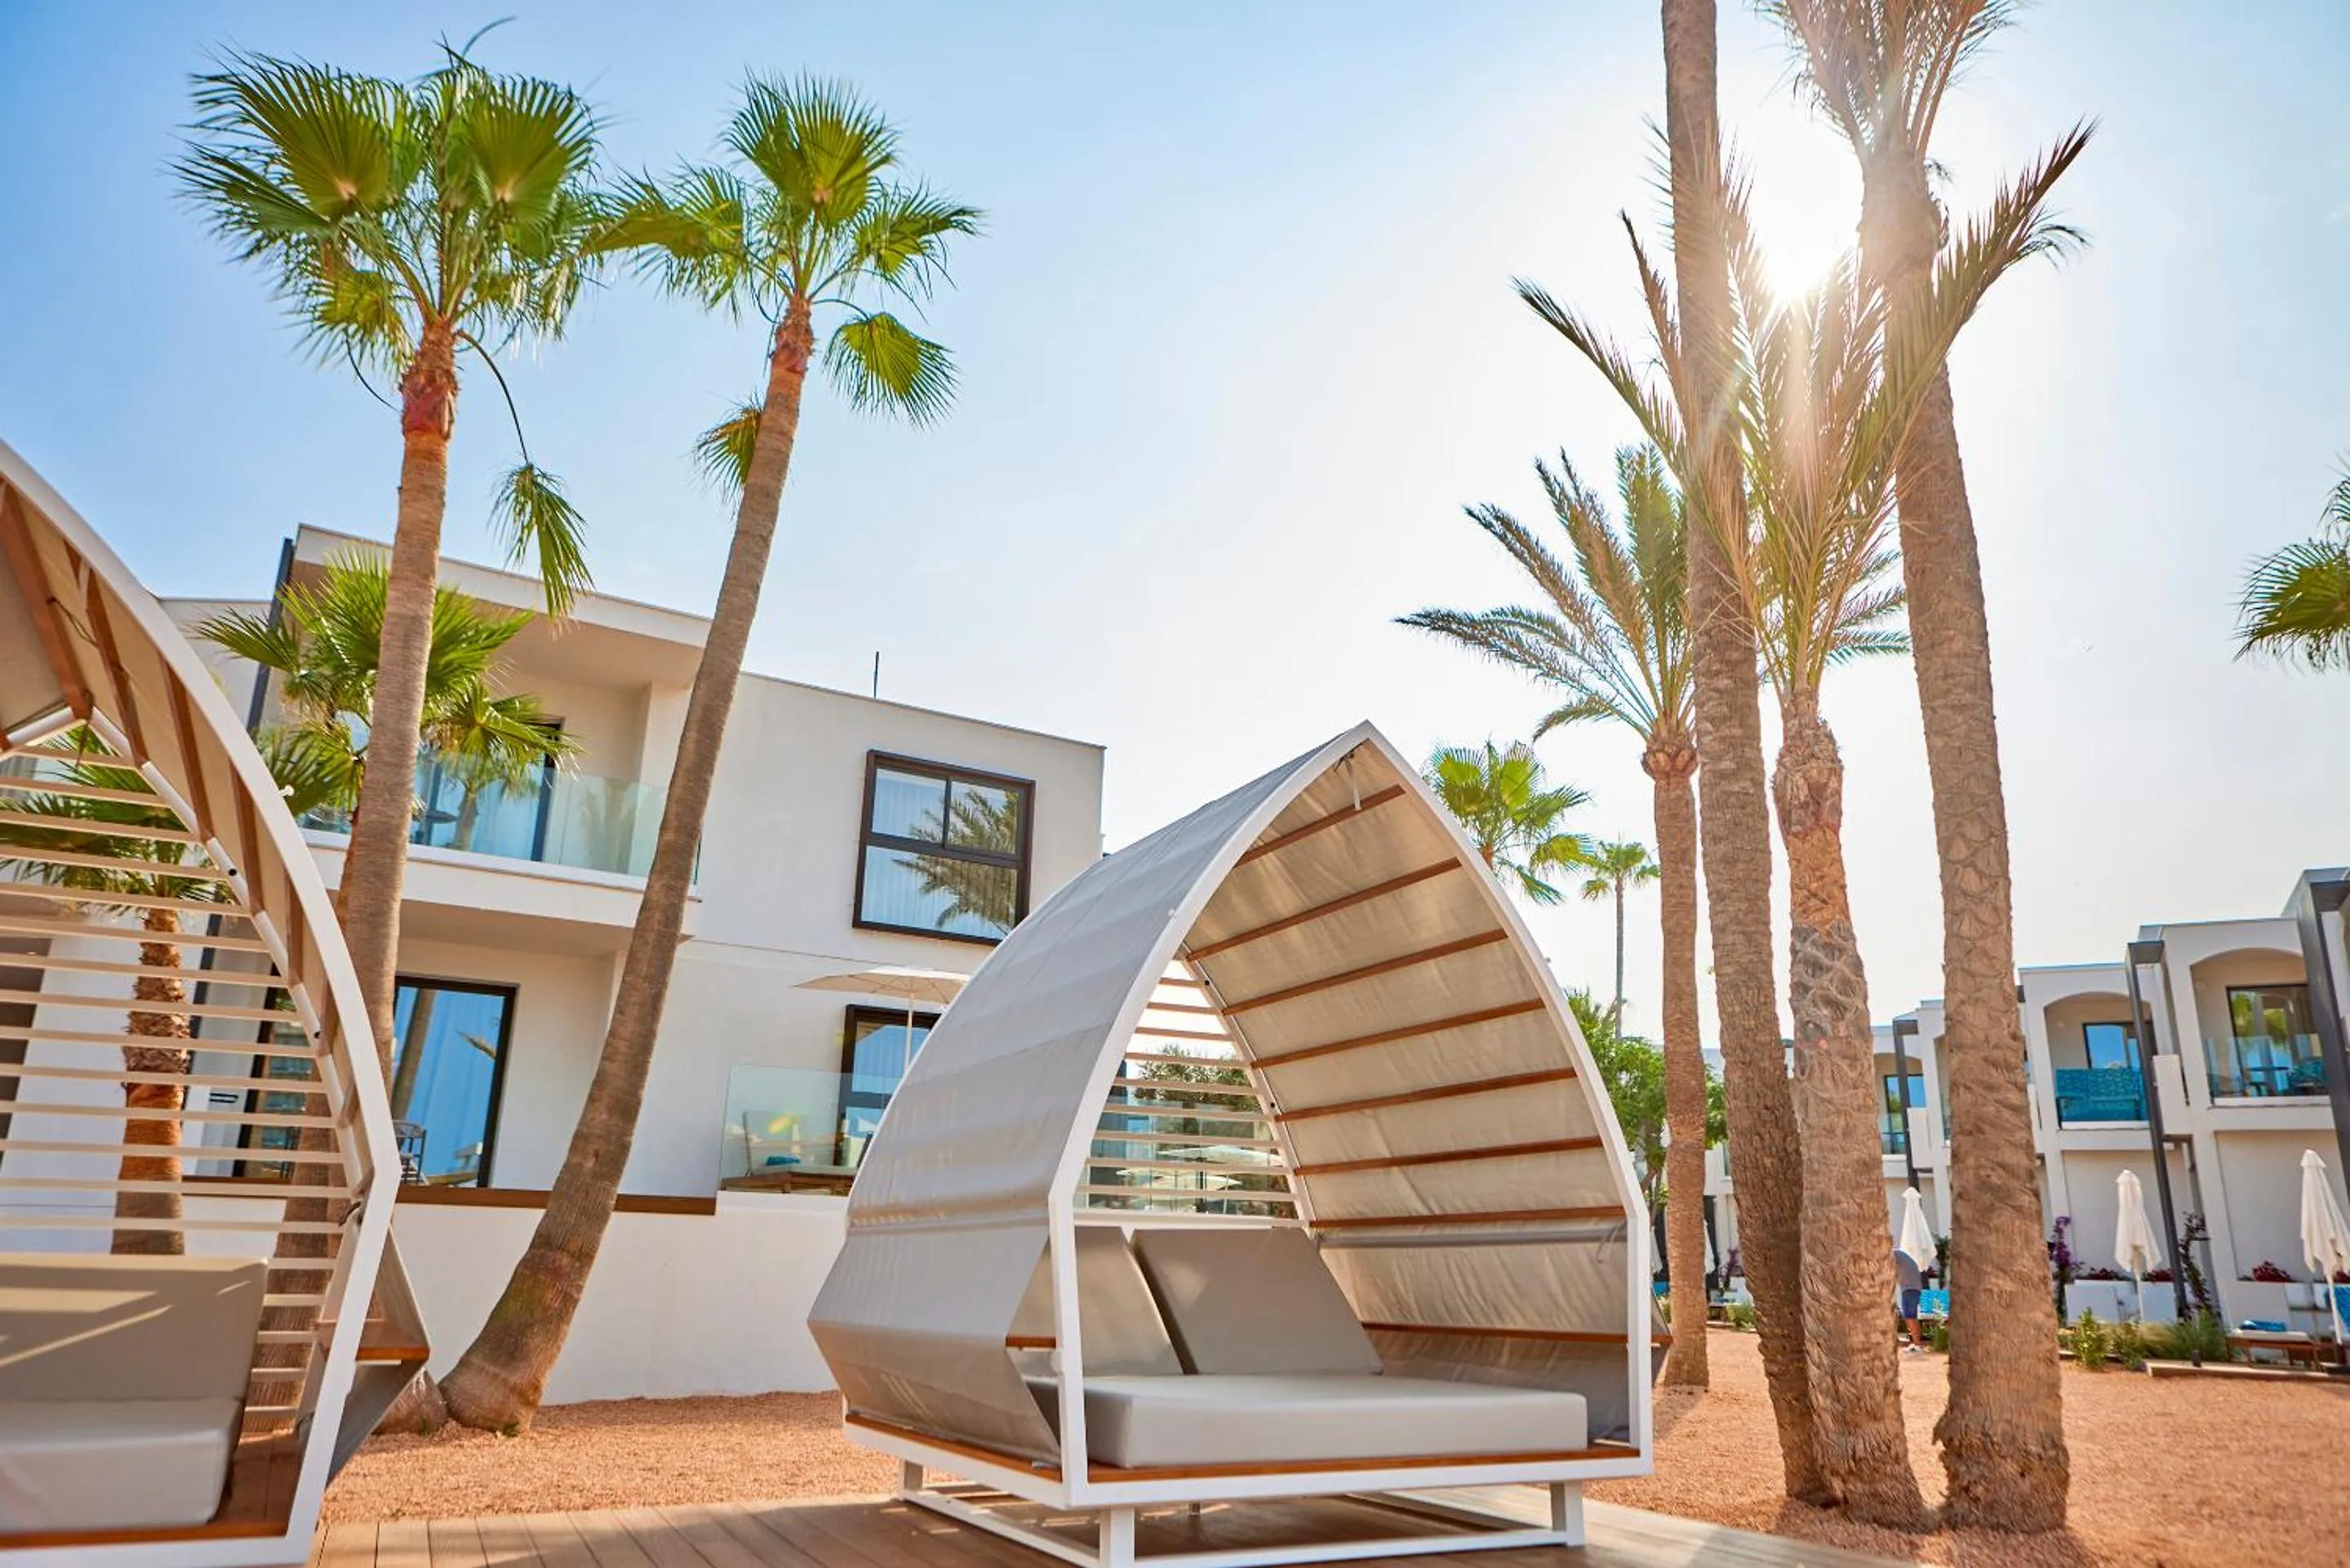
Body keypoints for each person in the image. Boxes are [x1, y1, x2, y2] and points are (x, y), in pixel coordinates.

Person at [1894, 1246, 1926, 1353]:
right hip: (1914, 1288)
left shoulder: (1893, 1255)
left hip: (1909, 1288)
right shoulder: (1900, 1254)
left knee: (1909, 1317)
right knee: (1913, 1317)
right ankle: (1917, 1344)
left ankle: (1917, 1345)